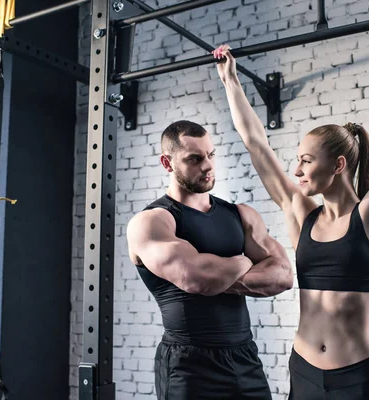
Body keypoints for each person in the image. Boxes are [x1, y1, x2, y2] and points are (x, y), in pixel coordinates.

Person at [213, 3, 369, 399]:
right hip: (304, 373)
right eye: (297, 160)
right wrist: (230, 81)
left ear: (338, 165)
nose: (296, 169)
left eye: (305, 161)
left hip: (359, 379)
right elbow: (255, 143)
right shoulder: (303, 215)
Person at [126, 120, 294, 400]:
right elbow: (196, 278)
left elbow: (283, 275)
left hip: (245, 357)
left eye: (211, 155)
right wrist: (243, 261)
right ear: (167, 163)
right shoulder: (152, 222)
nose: (207, 166)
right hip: (188, 363)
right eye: (194, 158)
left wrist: (218, 275)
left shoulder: (240, 215)